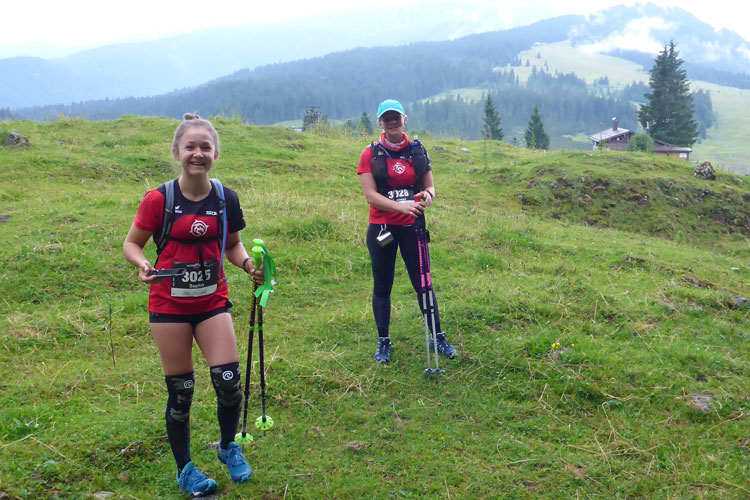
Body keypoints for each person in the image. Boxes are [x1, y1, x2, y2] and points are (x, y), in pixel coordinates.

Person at [123, 113, 263, 496]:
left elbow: (233, 245)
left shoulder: (226, 198)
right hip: (168, 307)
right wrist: (143, 265)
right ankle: (185, 469)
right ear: (176, 152)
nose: (197, 154)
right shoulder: (159, 199)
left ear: (215, 153)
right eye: (190, 147)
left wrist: (248, 265)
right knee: (181, 392)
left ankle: (227, 446)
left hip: (212, 302)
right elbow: (132, 243)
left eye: (205, 147)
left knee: (229, 383)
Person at [357, 99, 457, 364]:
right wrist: (402, 207)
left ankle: (438, 336)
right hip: (382, 229)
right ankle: (383, 340)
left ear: (404, 120)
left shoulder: (417, 150)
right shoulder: (370, 154)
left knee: (423, 283)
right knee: (382, 285)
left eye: (396, 117)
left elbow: (430, 186)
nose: (392, 122)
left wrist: (428, 195)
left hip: (414, 228)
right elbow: (370, 196)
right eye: (387, 118)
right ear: (380, 123)